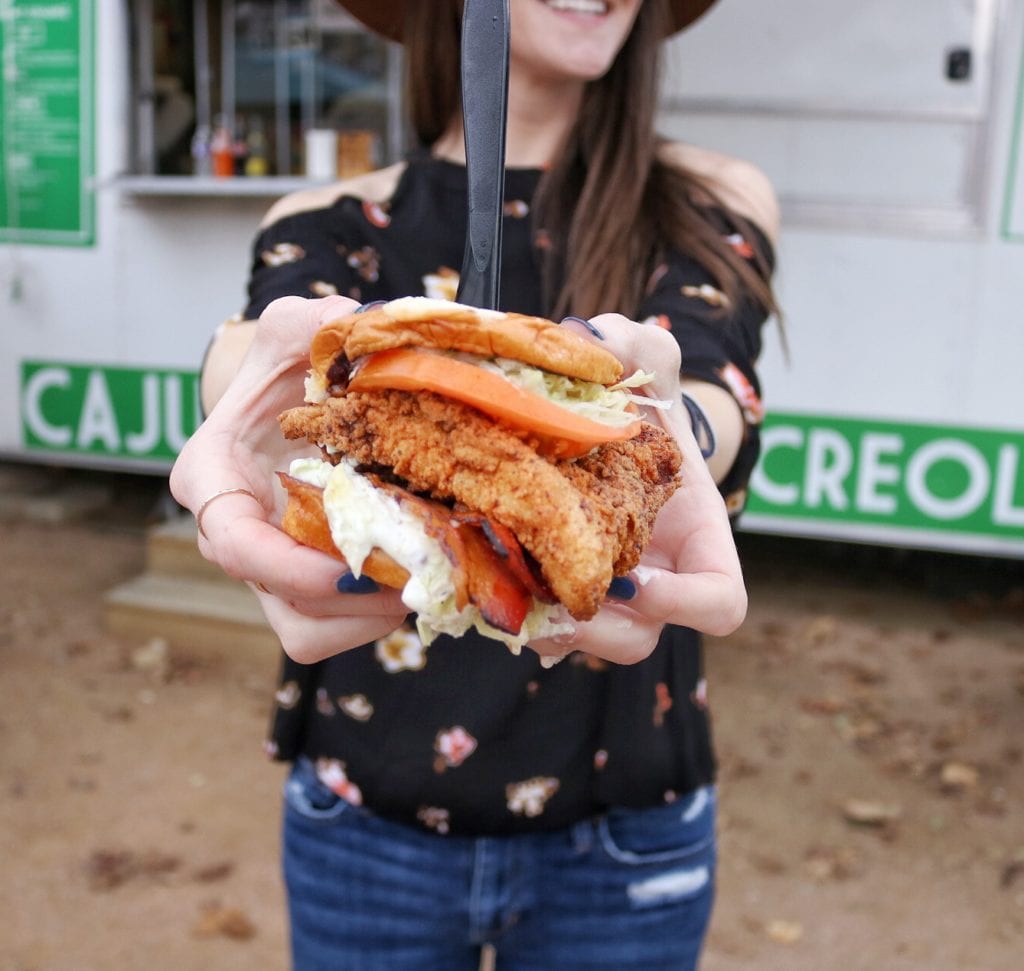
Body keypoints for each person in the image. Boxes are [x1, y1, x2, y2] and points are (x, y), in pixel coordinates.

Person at [169, 0, 780, 967]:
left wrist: (665, 432)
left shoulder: (708, 195)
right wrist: (231, 401)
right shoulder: (327, 215)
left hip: (624, 827)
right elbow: (267, 343)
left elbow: (708, 380)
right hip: (366, 818)